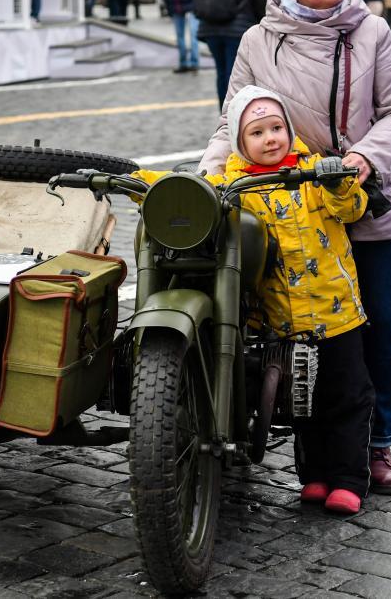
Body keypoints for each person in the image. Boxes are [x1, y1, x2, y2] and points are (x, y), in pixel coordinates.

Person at [196, 0, 391, 494]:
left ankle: (376, 444)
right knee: (301, 333)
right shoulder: (258, 41)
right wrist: (208, 176)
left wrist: (365, 157)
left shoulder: (372, 31)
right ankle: (318, 454)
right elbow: (233, 120)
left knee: (384, 326)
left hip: (368, 200)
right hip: (289, 210)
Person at [136, 86, 374, 514]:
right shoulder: (233, 187)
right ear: (239, 142)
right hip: (283, 323)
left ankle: (350, 479)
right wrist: (138, 180)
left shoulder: (314, 172)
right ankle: (315, 476)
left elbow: (351, 209)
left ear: (290, 130)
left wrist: (339, 181)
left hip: (338, 316)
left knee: (348, 397)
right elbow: (187, 190)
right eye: (257, 132)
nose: (270, 139)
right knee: (302, 402)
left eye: (277, 128)